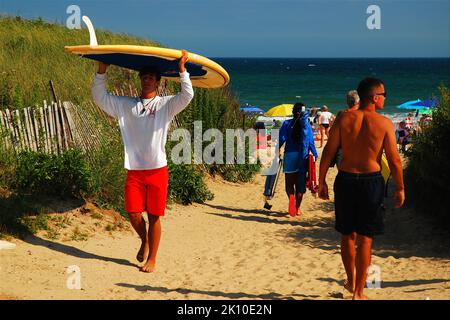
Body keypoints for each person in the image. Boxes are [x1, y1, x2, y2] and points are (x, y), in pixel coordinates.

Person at [91, 50, 193, 273]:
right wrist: (102, 69)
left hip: (157, 169)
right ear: (141, 80)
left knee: (154, 215)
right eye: (143, 77)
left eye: (150, 77)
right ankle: (144, 240)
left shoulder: (165, 105)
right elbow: (100, 98)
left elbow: (187, 96)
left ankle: (153, 258)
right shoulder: (126, 105)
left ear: (158, 82)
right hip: (135, 170)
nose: (146, 80)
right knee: (133, 214)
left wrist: (182, 71)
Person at [318, 77, 404, 300]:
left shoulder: (344, 119)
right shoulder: (384, 123)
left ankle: (350, 281)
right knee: (365, 238)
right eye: (384, 95)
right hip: (371, 182)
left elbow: (328, 151)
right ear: (374, 97)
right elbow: (394, 160)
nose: (385, 98)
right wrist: (401, 188)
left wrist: (322, 180)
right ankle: (358, 292)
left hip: (345, 179)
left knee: (347, 235)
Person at [279, 103, 318, 217]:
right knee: (300, 184)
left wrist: (277, 150)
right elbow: (310, 141)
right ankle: (298, 208)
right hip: (302, 156)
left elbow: (281, 138)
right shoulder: (306, 125)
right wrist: (315, 154)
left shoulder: (287, 123)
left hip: (290, 155)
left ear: (293, 112)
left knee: (289, 183)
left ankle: (291, 197)